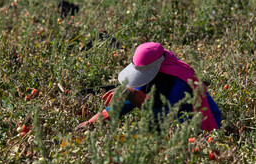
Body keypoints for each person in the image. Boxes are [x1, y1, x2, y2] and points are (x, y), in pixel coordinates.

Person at [75, 42, 221, 132]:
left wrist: (132, 94)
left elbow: (164, 116)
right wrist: (91, 122)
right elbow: (124, 104)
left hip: (197, 123)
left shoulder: (180, 82)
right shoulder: (154, 74)